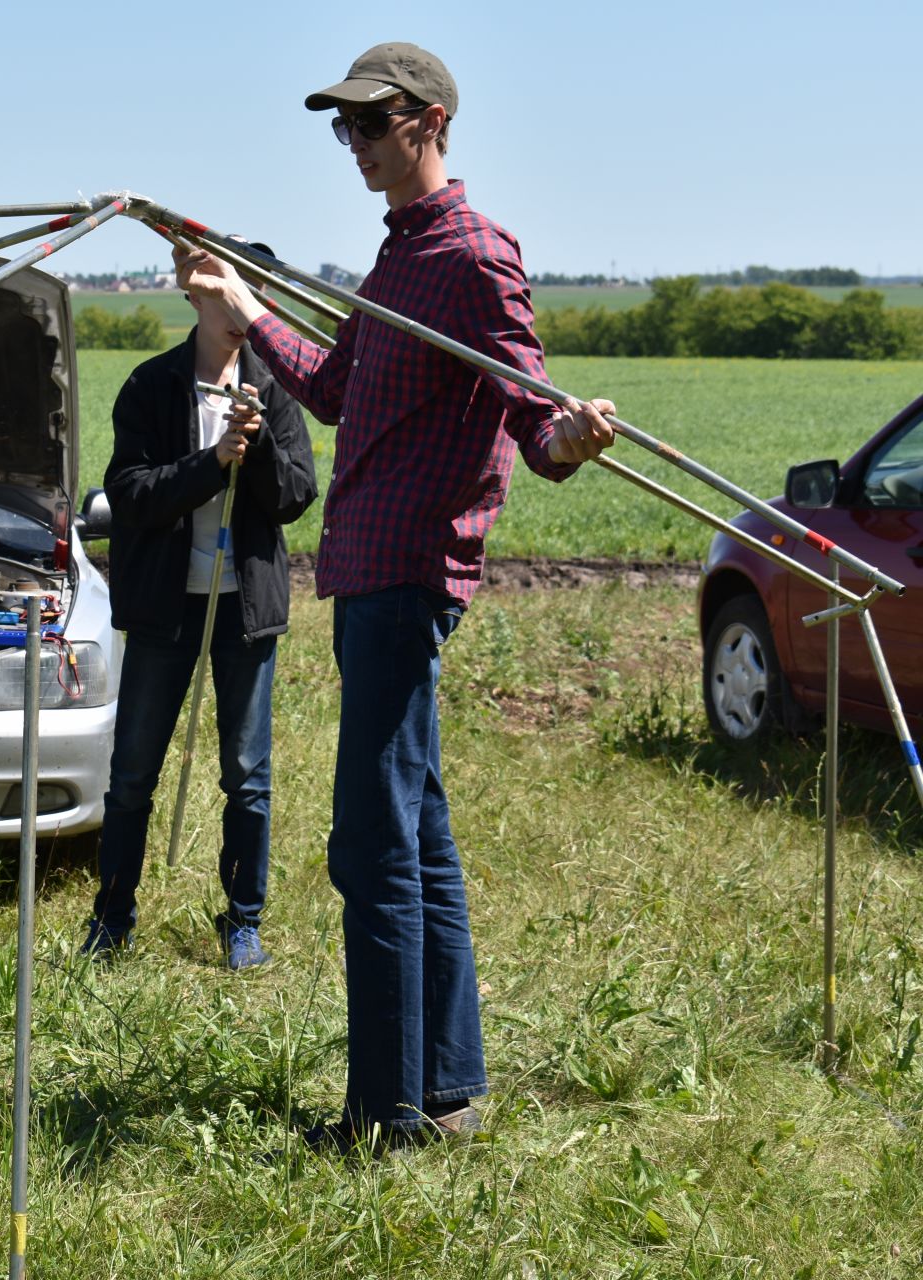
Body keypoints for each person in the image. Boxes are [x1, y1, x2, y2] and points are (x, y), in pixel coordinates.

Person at [175, 41, 618, 1149]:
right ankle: (450, 1086)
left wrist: (568, 436)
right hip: (370, 572)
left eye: (368, 125)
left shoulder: (470, 254)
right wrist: (246, 307)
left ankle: (388, 1112)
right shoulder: (399, 256)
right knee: (415, 832)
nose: (354, 146)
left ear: (426, 121)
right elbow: (334, 390)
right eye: (344, 129)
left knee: (369, 845)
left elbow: (534, 418)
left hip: (408, 575)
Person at [83, 274, 317, 969]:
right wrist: (213, 462)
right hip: (164, 606)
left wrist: (261, 447)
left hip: (245, 608)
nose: (242, 312)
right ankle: (112, 919)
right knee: (132, 775)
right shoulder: (152, 385)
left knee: (247, 775)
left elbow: (296, 496)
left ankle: (243, 921)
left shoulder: (273, 389)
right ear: (195, 297)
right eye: (228, 295)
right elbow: (129, 494)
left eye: (254, 299)